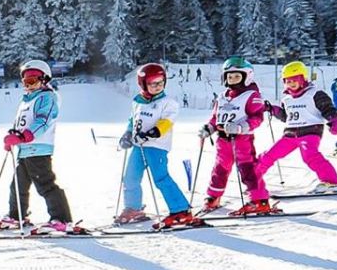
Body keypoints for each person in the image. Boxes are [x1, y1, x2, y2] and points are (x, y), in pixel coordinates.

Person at [114, 63, 200, 229]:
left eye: (161, 82)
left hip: (157, 146)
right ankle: (134, 208)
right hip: (138, 146)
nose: (158, 86)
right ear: (143, 84)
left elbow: (167, 122)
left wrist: (153, 132)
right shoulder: (137, 101)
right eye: (153, 83)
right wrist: (127, 134)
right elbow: (133, 121)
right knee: (130, 178)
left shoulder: (168, 103)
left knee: (161, 178)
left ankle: (181, 210)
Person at [0, 59, 74, 231]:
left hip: (39, 149)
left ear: (44, 79)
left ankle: (61, 219)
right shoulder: (26, 101)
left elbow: (43, 120)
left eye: (32, 80)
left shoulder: (47, 97)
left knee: (45, 184)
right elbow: (21, 124)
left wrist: (24, 136)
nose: (28, 85)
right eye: (25, 81)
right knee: (17, 185)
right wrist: (13, 137)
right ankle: (16, 216)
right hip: (24, 151)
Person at [200, 56, 276, 216]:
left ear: (247, 77)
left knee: (247, 169)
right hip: (223, 140)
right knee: (220, 169)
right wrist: (209, 128)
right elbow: (215, 117)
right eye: (229, 76)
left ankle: (259, 200)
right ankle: (214, 196)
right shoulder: (222, 97)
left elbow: (257, 118)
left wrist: (241, 127)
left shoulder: (252, 95)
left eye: (237, 76)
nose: (232, 79)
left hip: (242, 140)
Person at [254, 60, 337, 193]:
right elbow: (286, 117)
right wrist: (272, 109)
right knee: (269, 155)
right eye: (287, 81)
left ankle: (332, 182)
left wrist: (334, 121)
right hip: (290, 134)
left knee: (310, 155)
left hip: (310, 132)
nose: (291, 84)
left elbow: (328, 109)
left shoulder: (315, 93)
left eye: (294, 80)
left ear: (302, 79)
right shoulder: (287, 99)